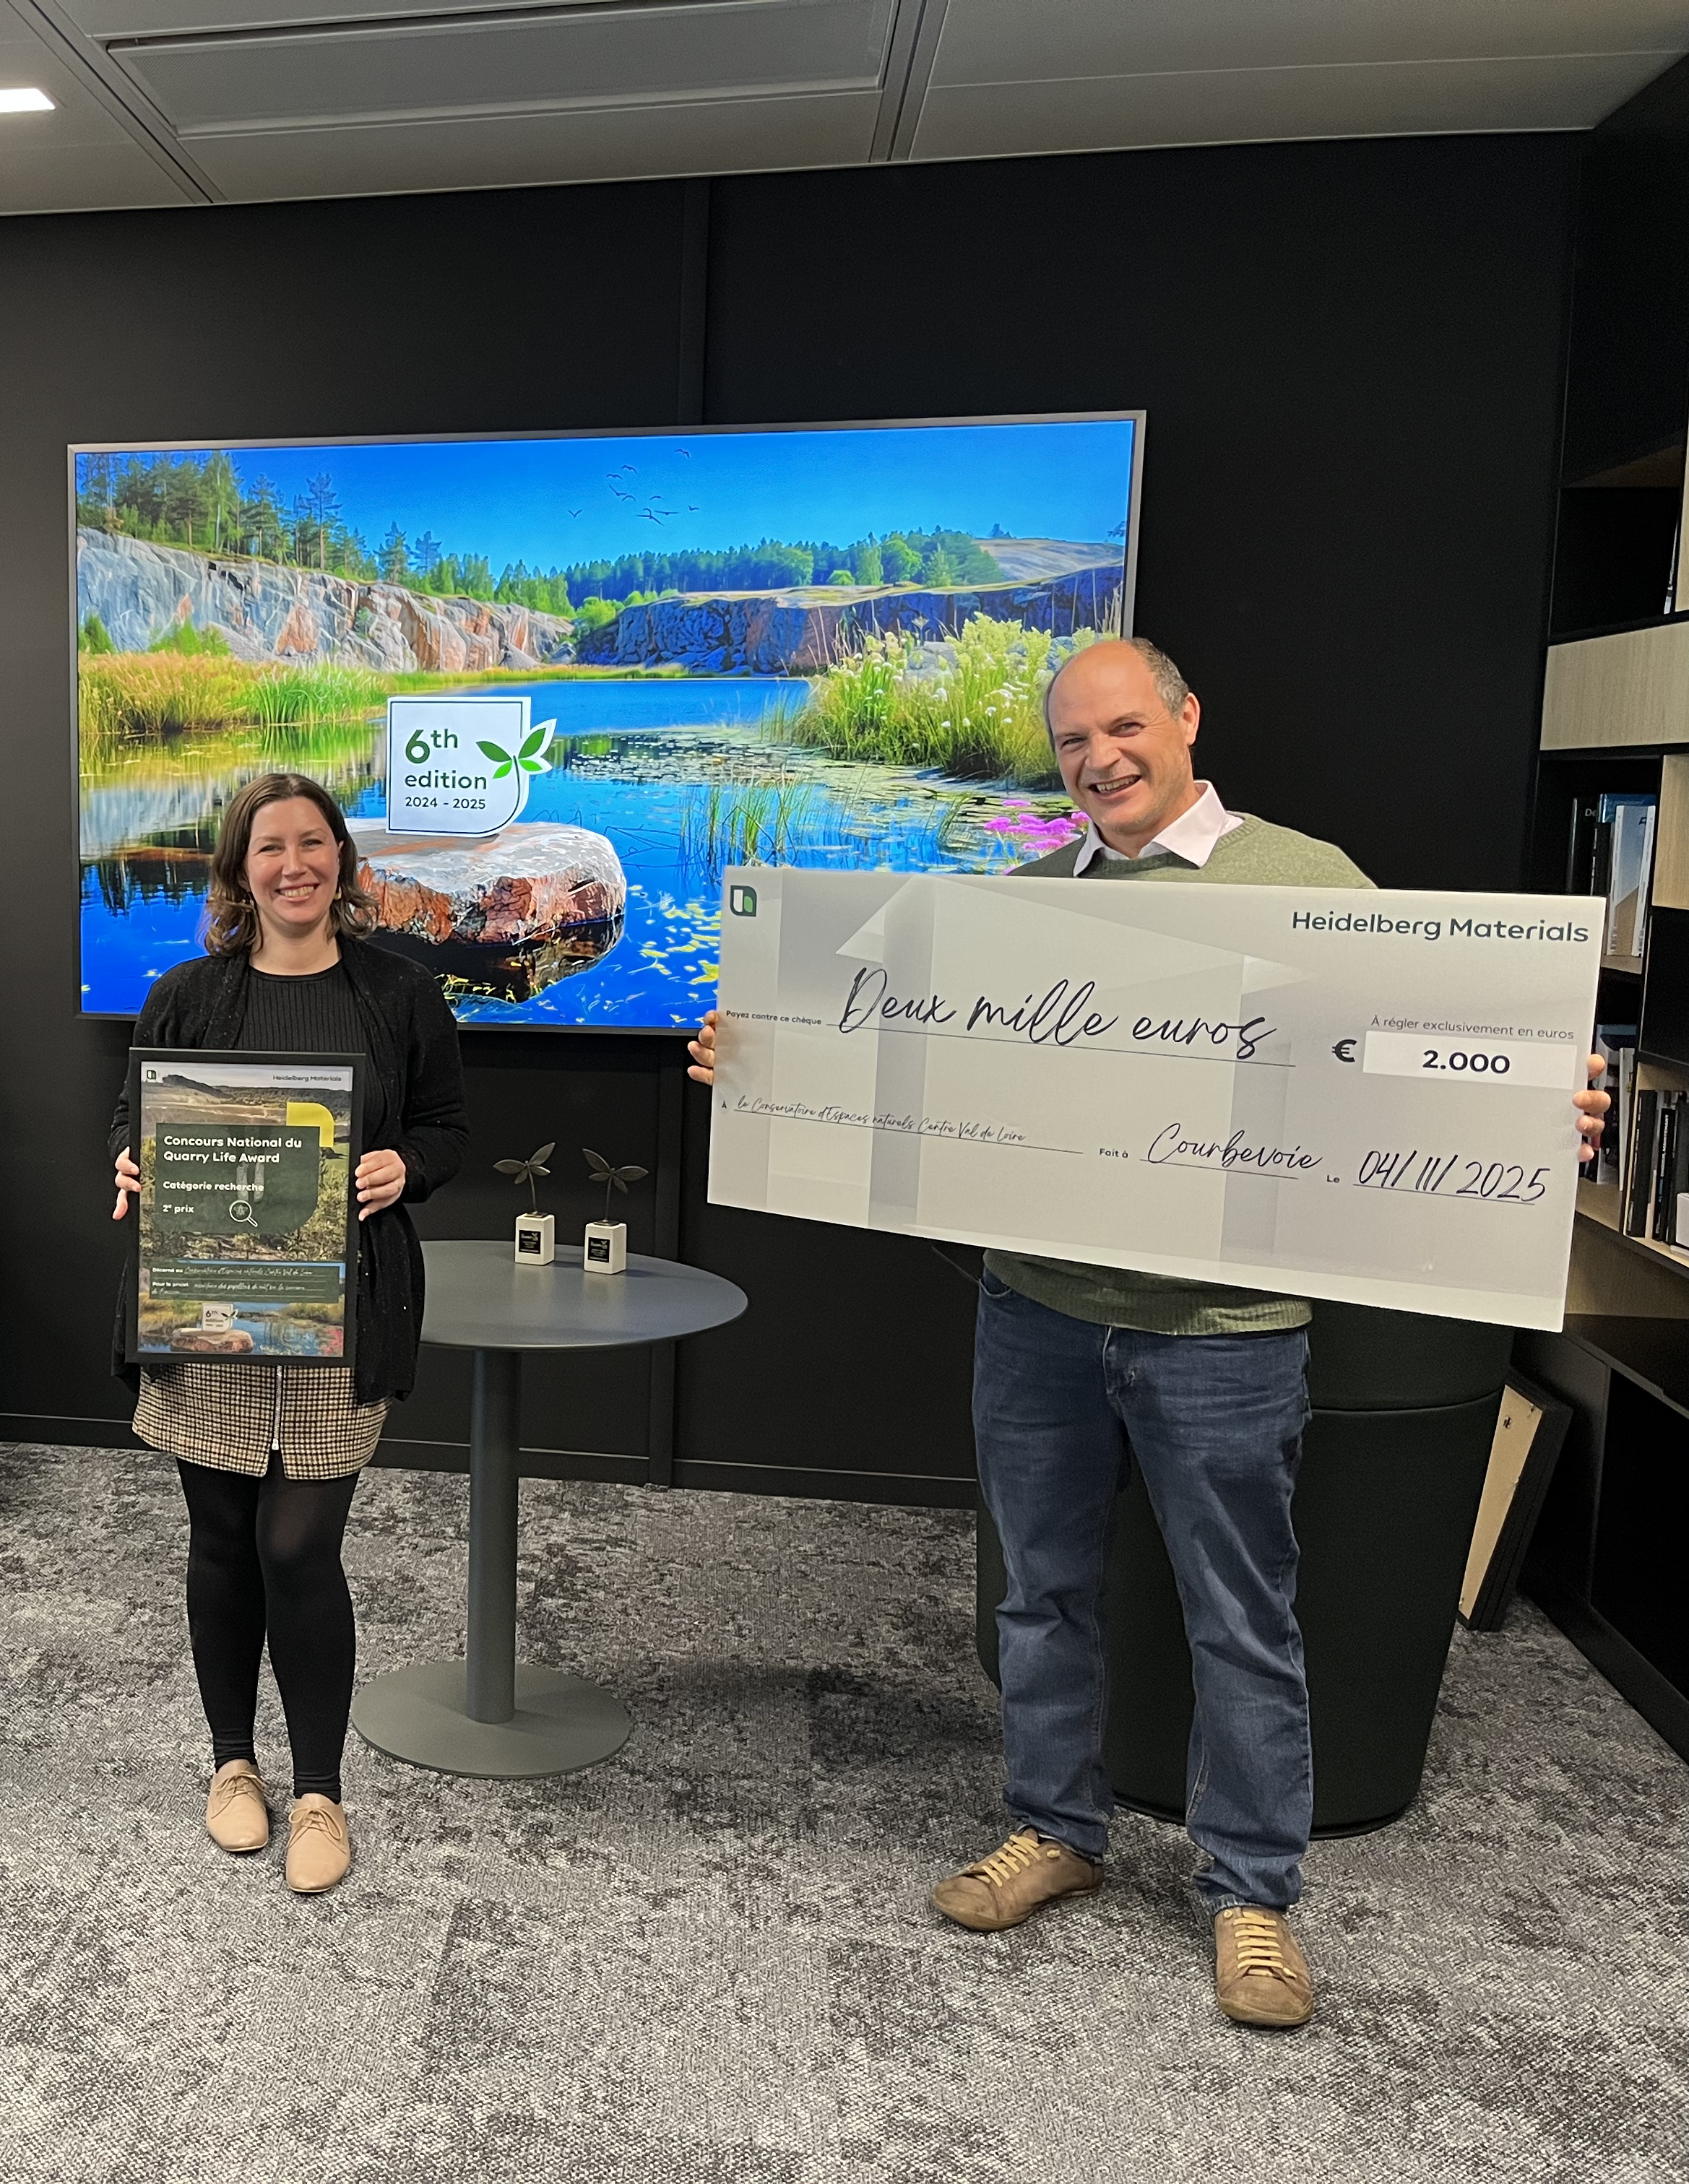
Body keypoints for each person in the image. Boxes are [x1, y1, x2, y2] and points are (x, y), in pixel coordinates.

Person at [686, 636, 1607, 2028]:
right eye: (1071, 744)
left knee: (1242, 1615)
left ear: (1186, 718)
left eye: (1123, 729)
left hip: (1224, 1335)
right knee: (1040, 1592)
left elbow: (1429, 1054)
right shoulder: (1024, 901)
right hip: (1037, 1313)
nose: (1100, 761)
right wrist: (760, 1061)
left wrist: (1547, 1103)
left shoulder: (1309, 885)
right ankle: (1055, 1829)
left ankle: (1251, 1894)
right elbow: (910, 1060)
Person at [108, 771, 467, 1896]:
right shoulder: (187, 994)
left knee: (298, 1549)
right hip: (204, 1309)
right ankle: (232, 1767)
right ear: (239, 869)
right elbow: (136, 1116)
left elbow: (449, 1128)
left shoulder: (403, 997)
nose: (294, 866)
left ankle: (320, 1792)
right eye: (271, 848)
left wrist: (408, 1164)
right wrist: (129, 1159)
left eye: (315, 845)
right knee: (219, 1545)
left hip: (339, 1312)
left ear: (344, 864)